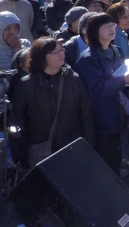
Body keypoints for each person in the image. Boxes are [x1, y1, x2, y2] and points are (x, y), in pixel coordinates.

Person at [76, 13, 129, 174]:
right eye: (106, 26)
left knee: (117, 152)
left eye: (112, 25)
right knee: (105, 160)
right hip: (102, 117)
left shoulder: (116, 50)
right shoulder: (88, 58)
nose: (111, 29)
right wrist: (124, 81)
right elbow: (96, 89)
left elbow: (123, 75)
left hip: (119, 110)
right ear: (94, 31)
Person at [12, 37, 94, 168]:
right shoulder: (27, 85)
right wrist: (21, 156)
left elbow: (86, 116)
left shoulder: (74, 80)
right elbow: (18, 122)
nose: (61, 54)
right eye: (54, 52)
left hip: (71, 148)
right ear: (41, 57)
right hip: (39, 152)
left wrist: (87, 147)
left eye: (61, 50)